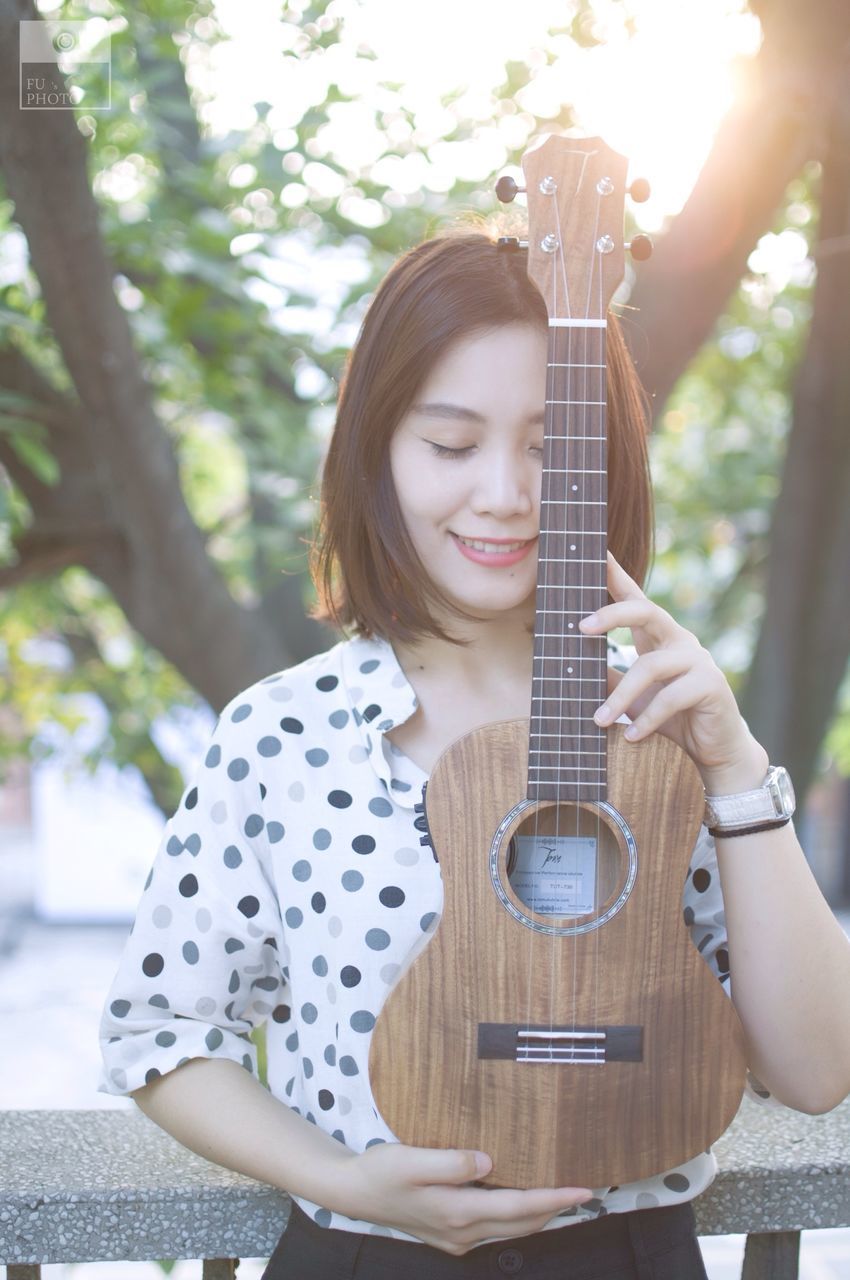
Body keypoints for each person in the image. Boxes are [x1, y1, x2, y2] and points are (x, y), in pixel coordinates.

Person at [99, 230, 850, 1279]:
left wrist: (731, 767)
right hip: (363, 1256)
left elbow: (817, 1069)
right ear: (380, 454)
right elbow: (161, 1034)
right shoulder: (283, 735)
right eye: (450, 445)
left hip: (628, 1254)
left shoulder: (658, 728)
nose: (503, 492)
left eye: (553, 444)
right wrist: (342, 1178)